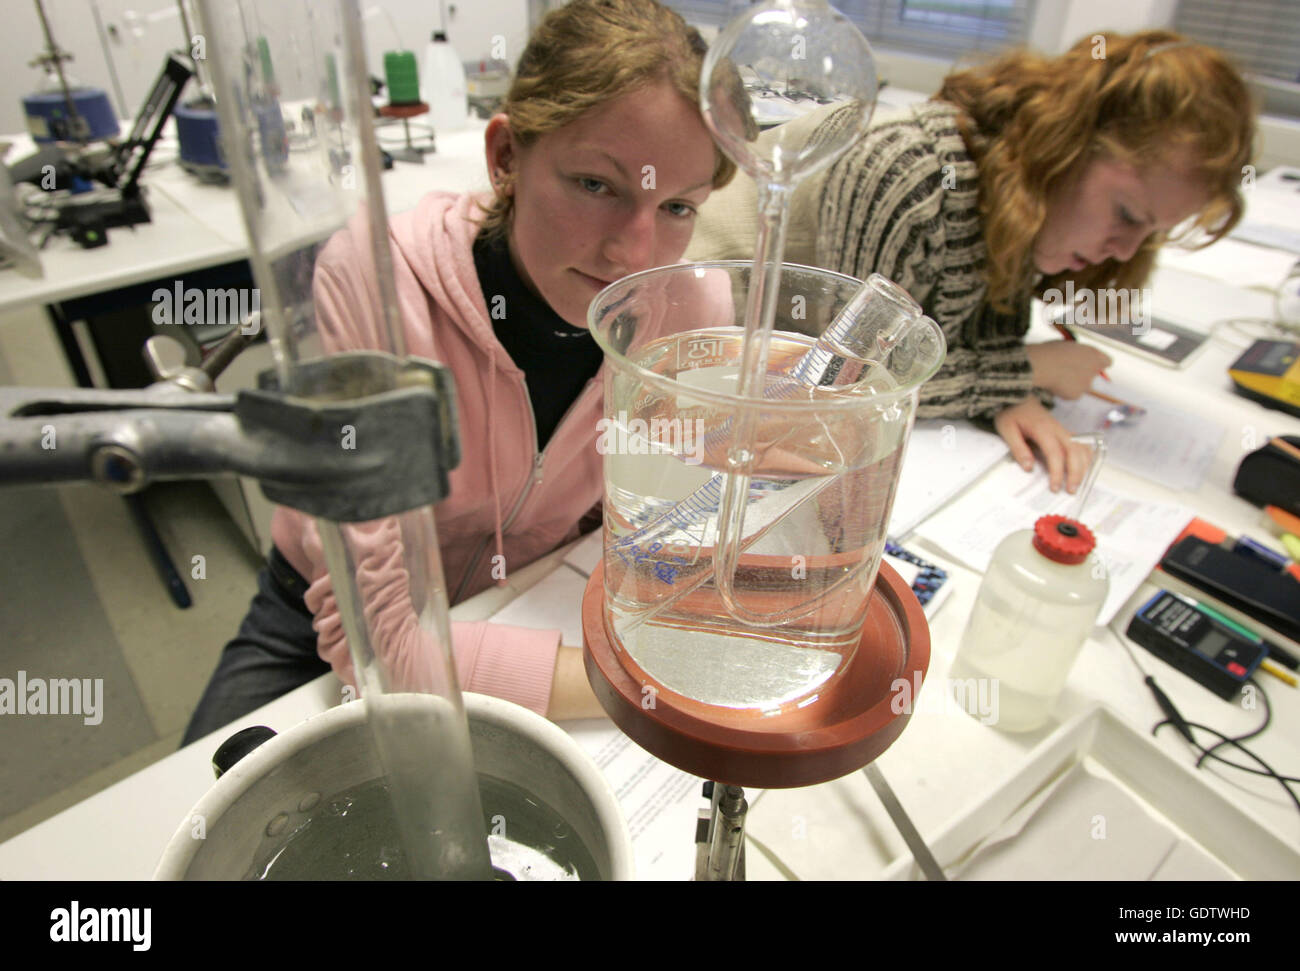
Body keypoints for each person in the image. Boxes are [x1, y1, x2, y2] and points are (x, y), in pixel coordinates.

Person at [182, 0, 734, 745]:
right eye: (596, 186)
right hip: (328, 617)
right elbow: (381, 645)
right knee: (190, 823)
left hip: (536, 587)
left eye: (676, 206)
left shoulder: (687, 303)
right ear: (506, 156)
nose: (634, 254)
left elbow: (681, 501)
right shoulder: (376, 283)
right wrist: (640, 685)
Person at [687, 30, 1255, 492]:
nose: (1127, 251)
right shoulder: (912, 172)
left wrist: (1008, 392)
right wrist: (1023, 372)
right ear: (1068, 145)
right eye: (1128, 214)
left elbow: (969, 338)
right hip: (698, 335)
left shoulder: (1022, 195)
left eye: (1151, 234)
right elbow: (848, 389)